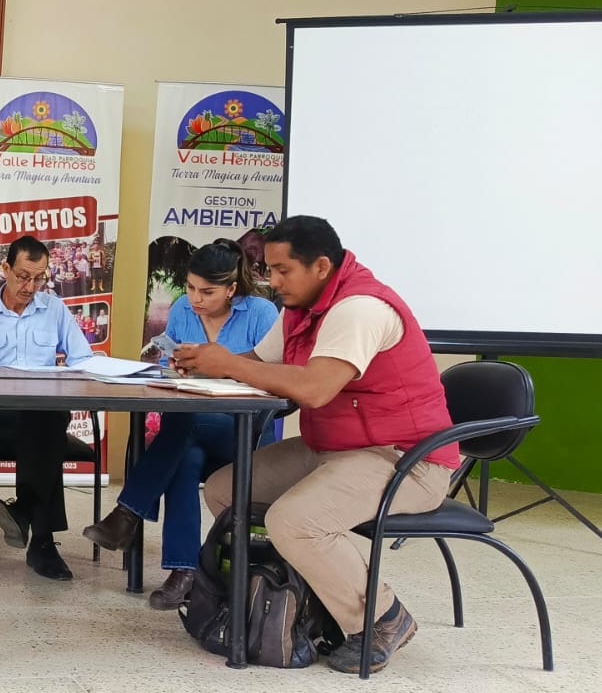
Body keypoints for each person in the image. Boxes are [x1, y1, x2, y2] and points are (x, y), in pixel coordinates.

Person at [170, 216, 458, 675]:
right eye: (269, 269)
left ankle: (383, 618)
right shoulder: (301, 306)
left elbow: (315, 388)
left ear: (321, 266)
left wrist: (228, 365)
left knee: (295, 522)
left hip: (405, 459)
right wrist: (205, 364)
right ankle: (288, 601)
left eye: (283, 270)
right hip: (333, 447)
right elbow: (258, 362)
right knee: (227, 490)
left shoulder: (360, 309)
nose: (273, 280)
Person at [82, 239, 279, 608]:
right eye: (190, 287)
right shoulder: (182, 311)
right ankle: (183, 573)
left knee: (184, 424)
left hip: (244, 431)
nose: (195, 299)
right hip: (193, 431)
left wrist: (221, 370)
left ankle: (127, 514)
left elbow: (273, 376)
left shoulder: (261, 313)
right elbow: (170, 363)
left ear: (231, 289)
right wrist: (174, 368)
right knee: (185, 456)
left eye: (207, 291)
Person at [0, 236, 95, 580]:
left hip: (44, 413)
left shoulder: (54, 310)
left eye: (38, 278)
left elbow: (83, 359)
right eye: (22, 277)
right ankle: (42, 544)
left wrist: (71, 374)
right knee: (47, 433)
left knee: (44, 421)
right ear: (5, 269)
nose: (30, 287)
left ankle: (24, 511)